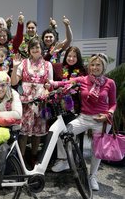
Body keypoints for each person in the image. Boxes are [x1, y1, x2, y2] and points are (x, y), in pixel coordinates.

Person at [50, 53, 117, 191]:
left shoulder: (110, 83)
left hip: (102, 119)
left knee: (96, 150)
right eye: (92, 64)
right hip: (84, 117)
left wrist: (108, 114)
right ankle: (65, 161)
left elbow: (113, 103)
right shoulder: (83, 79)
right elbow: (66, 83)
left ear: (103, 66)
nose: (94, 67)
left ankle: (92, 176)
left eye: (98, 65)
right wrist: (52, 83)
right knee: (63, 132)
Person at [11, 37, 53, 167]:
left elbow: (49, 84)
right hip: (25, 103)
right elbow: (13, 82)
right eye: (32, 47)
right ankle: (21, 159)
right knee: (23, 133)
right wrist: (14, 67)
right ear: (29, 50)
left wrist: (46, 92)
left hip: (40, 102)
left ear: (41, 49)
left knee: (37, 132)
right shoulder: (23, 63)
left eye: (37, 47)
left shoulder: (48, 64)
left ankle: (33, 157)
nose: (35, 50)